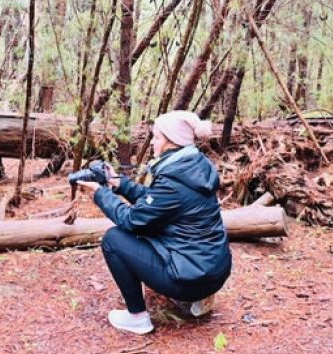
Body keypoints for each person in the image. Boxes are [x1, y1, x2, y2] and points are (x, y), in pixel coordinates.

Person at [75, 110, 232, 335]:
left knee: (114, 239)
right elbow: (154, 203)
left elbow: (133, 221)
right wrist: (118, 183)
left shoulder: (173, 181)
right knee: (154, 231)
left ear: (171, 141)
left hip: (193, 277)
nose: (153, 143)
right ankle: (199, 299)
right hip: (214, 271)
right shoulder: (195, 165)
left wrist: (101, 193)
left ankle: (137, 317)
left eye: (157, 137)